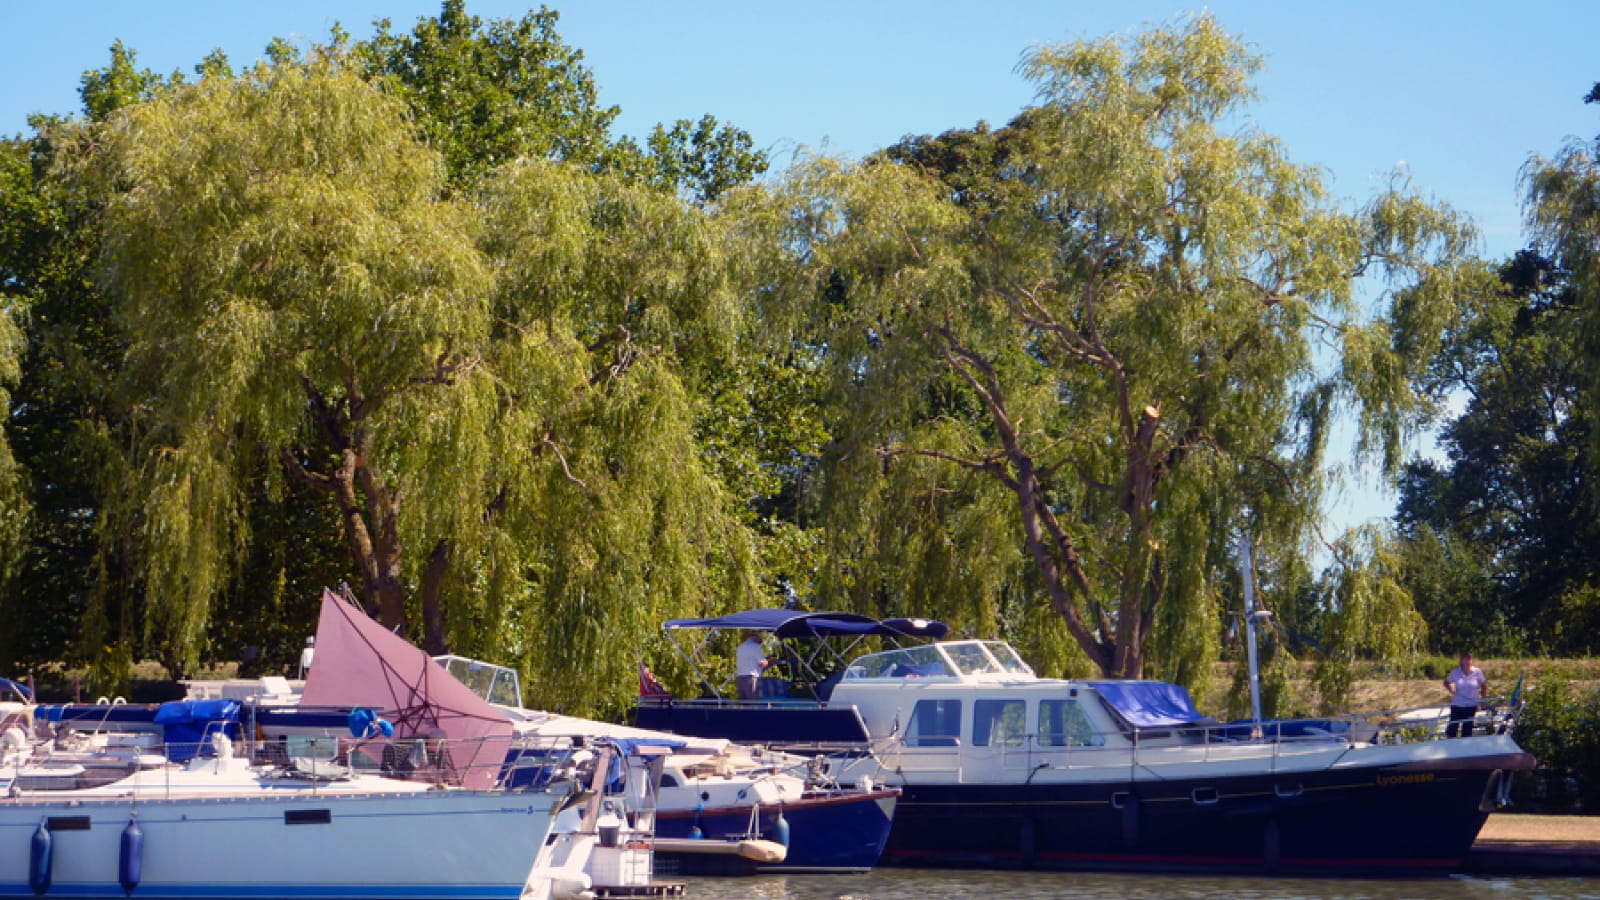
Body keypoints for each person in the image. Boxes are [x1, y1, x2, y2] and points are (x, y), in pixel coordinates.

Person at [1444, 651, 1488, 738]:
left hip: (1471, 705)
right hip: (1458, 704)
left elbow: (1484, 686)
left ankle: (1465, 748)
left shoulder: (1477, 672)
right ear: (1461, 661)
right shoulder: (1455, 672)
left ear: (1472, 661)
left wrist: (1483, 701)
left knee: (1467, 730)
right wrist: (1451, 689)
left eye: (1469, 659)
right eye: (1465, 659)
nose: (1467, 662)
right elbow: (1446, 682)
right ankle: (1450, 746)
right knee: (1452, 728)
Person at [736, 631, 769, 700]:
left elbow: (748, 661)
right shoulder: (755, 647)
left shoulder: (740, 647)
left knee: (743, 704)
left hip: (740, 678)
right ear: (756, 637)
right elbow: (763, 663)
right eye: (760, 637)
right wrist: (768, 662)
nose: (761, 639)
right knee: (753, 703)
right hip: (751, 678)